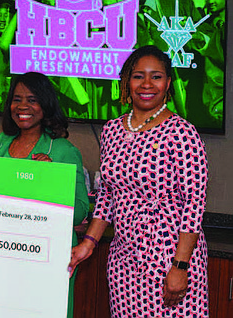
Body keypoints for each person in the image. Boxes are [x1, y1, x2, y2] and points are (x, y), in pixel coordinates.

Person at [69, 45, 209, 317]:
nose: (147, 84)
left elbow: (194, 205)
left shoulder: (182, 133)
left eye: (156, 76)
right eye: (138, 76)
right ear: (126, 82)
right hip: (124, 259)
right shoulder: (111, 130)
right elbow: (108, 196)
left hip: (168, 258)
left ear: (168, 83)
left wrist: (180, 267)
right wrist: (88, 243)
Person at [0, 72, 88, 318]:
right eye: (17, 99)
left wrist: (48, 181)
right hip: (2, 251)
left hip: (49, 255)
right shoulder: (2, 142)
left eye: (32, 100)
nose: (23, 106)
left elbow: (79, 211)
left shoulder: (64, 151)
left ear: (45, 105)